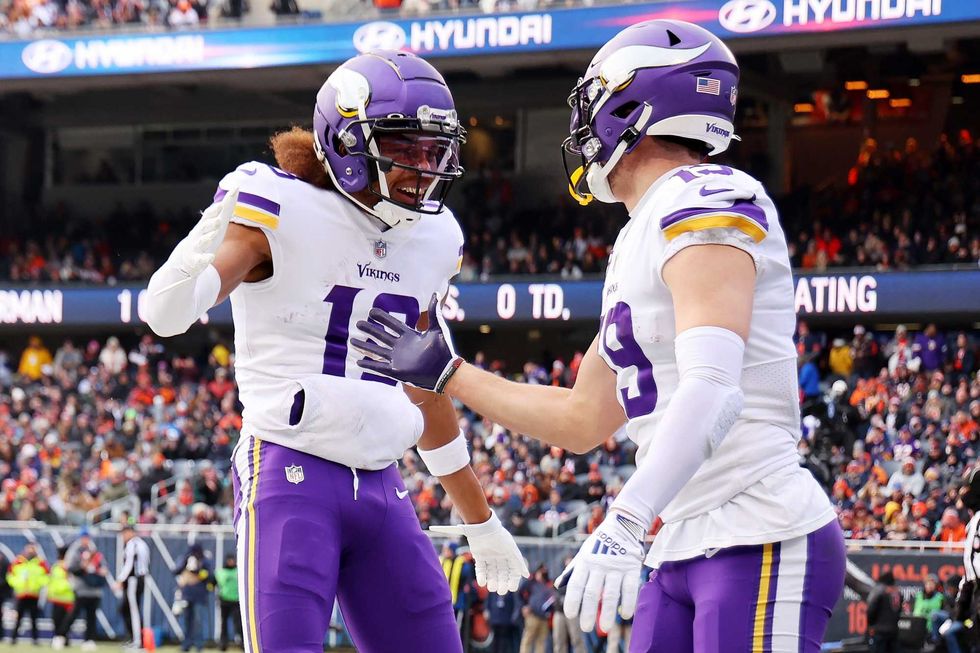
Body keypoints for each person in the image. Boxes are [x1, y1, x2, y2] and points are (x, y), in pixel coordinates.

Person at [352, 19, 846, 652]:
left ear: (634, 103)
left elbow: (715, 388)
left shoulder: (709, 194)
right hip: (680, 539)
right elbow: (583, 420)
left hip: (757, 528)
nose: (584, 126)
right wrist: (446, 371)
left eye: (593, 103)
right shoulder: (641, 231)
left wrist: (625, 522)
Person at [143, 50, 526, 653]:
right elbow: (170, 314)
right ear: (346, 139)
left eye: (434, 150)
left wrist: (479, 520)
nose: (422, 168)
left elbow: (426, 381)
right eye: (404, 147)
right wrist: (188, 265)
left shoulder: (434, 237)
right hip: (289, 474)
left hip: (383, 487)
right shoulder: (278, 204)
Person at [66, 530, 109, 652]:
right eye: (84, 537)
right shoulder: (75, 550)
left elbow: (103, 567)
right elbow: (71, 568)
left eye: (87, 537)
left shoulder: (95, 552)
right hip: (81, 589)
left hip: (94, 590)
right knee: (74, 614)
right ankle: (61, 635)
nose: (86, 540)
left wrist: (100, 571)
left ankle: (89, 640)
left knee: (91, 616)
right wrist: (82, 567)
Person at [113, 525, 150, 649]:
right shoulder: (142, 544)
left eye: (124, 533)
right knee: (127, 609)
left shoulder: (132, 545)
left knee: (133, 610)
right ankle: (135, 638)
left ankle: (138, 641)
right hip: (138, 579)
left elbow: (129, 565)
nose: (123, 536)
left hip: (134, 580)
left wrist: (120, 580)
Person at [6, 542, 49, 645]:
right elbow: (10, 576)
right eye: (29, 548)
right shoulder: (18, 561)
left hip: (33, 594)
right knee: (18, 618)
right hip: (21, 594)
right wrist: (17, 584)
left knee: (34, 618)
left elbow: (47, 576)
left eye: (33, 548)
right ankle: (13, 638)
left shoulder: (40, 562)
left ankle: (35, 639)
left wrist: (38, 584)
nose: (30, 550)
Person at [173, 543, 213, 653]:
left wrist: (198, 571)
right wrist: (185, 562)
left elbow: (210, 576)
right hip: (187, 595)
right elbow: (175, 571)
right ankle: (186, 644)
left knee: (198, 621)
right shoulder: (186, 559)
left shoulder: (205, 561)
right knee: (187, 621)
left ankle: (199, 645)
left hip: (199, 595)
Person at [49, 547, 77, 650]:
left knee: (65, 622)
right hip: (56, 598)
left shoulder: (68, 566)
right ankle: (59, 639)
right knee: (56, 621)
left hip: (67, 599)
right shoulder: (56, 566)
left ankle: (63, 639)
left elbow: (70, 581)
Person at [866, 571, 901, 653]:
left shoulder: (878, 590)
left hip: (879, 631)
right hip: (893, 631)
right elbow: (899, 611)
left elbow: (871, 610)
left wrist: (871, 624)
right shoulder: (897, 592)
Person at [214, 554, 242, 651]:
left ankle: (243, 643)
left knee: (238, 623)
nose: (231, 562)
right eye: (229, 560)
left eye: (232, 560)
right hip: (224, 601)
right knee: (223, 624)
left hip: (236, 601)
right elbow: (212, 583)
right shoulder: (221, 572)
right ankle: (223, 644)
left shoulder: (239, 571)